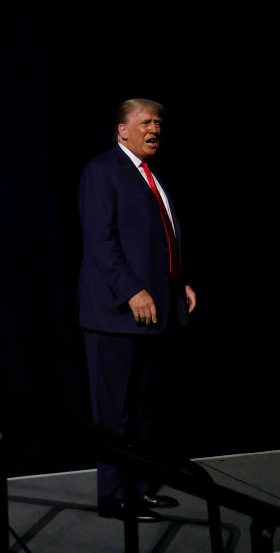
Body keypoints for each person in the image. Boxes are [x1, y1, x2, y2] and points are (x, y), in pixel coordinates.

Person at [77, 98, 197, 522]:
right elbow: (101, 240)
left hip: (154, 314)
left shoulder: (150, 177)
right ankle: (114, 498)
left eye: (159, 123)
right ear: (122, 130)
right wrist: (133, 291)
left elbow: (158, 242)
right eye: (146, 122)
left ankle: (140, 487)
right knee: (113, 413)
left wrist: (177, 284)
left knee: (145, 408)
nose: (155, 129)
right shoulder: (102, 170)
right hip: (116, 315)